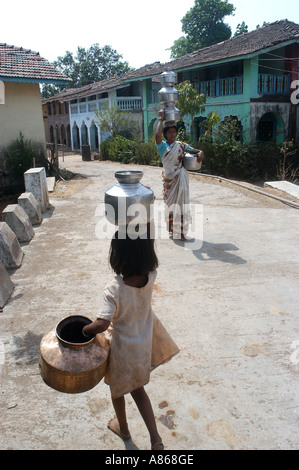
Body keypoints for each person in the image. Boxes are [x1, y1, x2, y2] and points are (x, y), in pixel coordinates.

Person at [83, 229, 180, 450]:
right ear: (147, 253)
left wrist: (85, 329)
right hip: (142, 346)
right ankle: (156, 439)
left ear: (117, 255)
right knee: (139, 390)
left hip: (122, 351)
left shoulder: (113, 289)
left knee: (117, 391)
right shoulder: (151, 276)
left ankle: (123, 428)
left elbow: (102, 325)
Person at [155, 109, 204, 240]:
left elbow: (193, 150)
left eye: (174, 132)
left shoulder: (181, 145)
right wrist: (160, 119)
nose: (172, 134)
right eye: (169, 132)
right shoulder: (162, 147)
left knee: (182, 206)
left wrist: (200, 152)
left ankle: (181, 232)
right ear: (166, 134)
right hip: (169, 181)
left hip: (180, 179)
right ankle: (172, 230)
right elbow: (157, 136)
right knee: (171, 207)